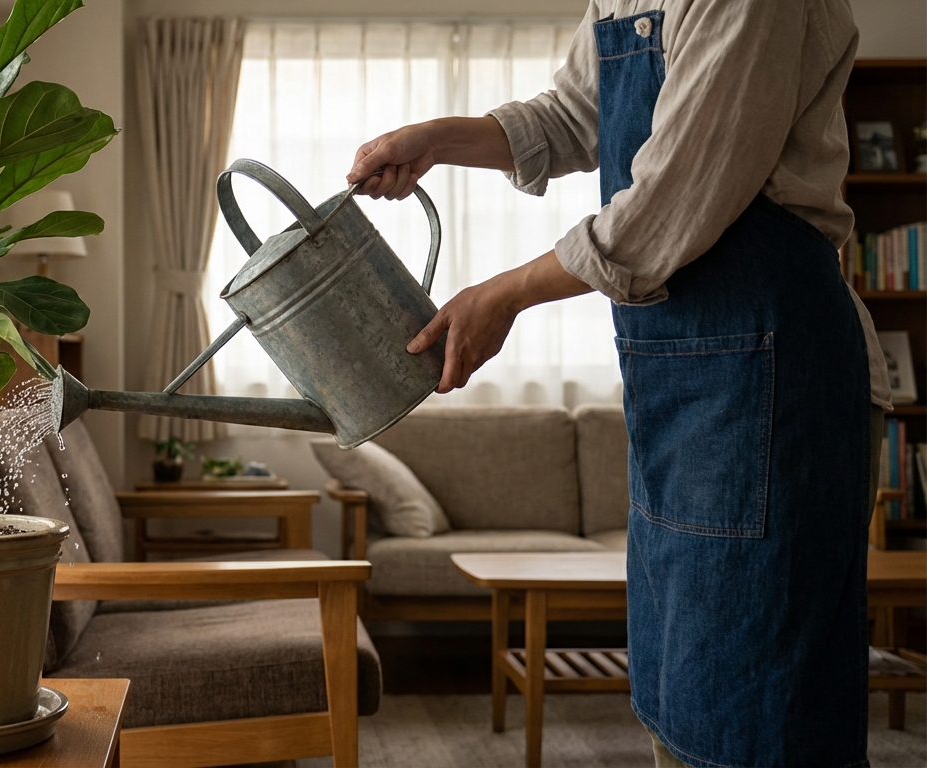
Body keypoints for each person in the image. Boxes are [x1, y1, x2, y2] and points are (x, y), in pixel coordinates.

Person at [347, 2, 890, 766]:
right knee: (684, 705)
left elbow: (676, 194)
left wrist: (505, 294)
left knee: (764, 717)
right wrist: (438, 140)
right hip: (683, 383)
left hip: (777, 377)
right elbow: (573, 114)